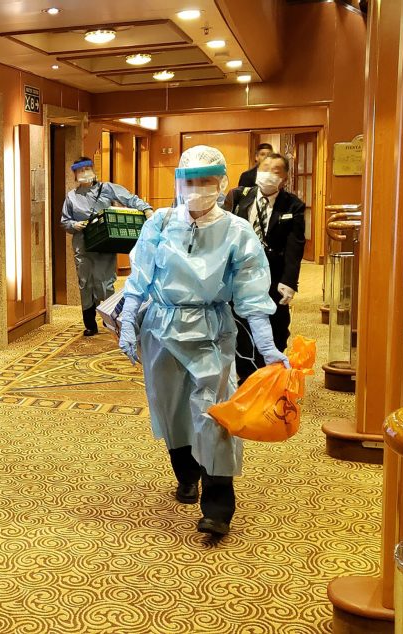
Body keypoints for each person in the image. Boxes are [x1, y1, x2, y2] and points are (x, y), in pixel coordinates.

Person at [116, 145, 288, 537]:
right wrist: (128, 321)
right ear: (179, 183)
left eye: (206, 181)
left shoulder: (237, 232)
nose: (197, 189)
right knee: (170, 408)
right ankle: (186, 473)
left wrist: (268, 348)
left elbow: (251, 296)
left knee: (214, 412)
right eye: (190, 181)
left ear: (221, 184)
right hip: (159, 327)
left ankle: (218, 502)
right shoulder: (159, 224)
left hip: (210, 329)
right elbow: (139, 278)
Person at [226, 153, 306, 384]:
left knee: (275, 325)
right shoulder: (239, 196)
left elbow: (295, 246)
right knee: (239, 324)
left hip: (273, 276)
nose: (269, 174)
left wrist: (289, 282)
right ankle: (246, 376)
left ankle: (269, 374)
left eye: (276, 170)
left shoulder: (293, 205)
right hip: (240, 273)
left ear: (285, 177)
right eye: (265, 168)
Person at [61, 157, 153, 336]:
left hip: (104, 242)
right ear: (75, 174)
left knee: (105, 282)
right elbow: (64, 221)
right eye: (81, 170)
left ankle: (109, 318)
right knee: (85, 283)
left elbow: (130, 198)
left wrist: (147, 209)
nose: (85, 173)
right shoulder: (71, 197)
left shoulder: (106, 188)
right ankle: (89, 324)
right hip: (83, 244)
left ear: (93, 170)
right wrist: (74, 225)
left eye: (88, 168)